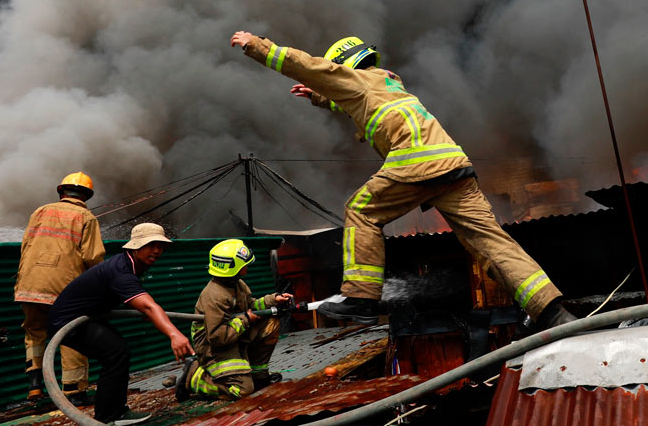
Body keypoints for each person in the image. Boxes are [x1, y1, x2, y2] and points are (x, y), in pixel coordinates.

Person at [230, 31, 575, 332]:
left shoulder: (354, 80)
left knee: (361, 210)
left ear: (345, 66)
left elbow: (307, 65)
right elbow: (358, 102)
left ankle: (360, 298)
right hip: (454, 166)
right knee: (492, 243)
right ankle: (550, 312)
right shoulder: (388, 82)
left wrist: (255, 45)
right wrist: (321, 97)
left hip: (417, 164)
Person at [48, 222, 195, 426]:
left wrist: (144, 311)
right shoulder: (121, 271)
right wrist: (174, 335)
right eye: (150, 245)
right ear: (135, 246)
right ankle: (106, 420)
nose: (156, 250)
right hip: (68, 322)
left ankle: (116, 412)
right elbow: (150, 307)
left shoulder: (129, 265)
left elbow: (140, 304)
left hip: (86, 317)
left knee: (118, 352)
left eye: (160, 246)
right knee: (115, 352)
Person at [14, 172, 105, 403]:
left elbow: (26, 246)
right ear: (86, 196)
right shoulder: (87, 217)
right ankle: (74, 392)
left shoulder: (40, 211)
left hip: (29, 284)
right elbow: (93, 257)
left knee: (35, 334)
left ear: (61, 192)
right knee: (71, 335)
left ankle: (35, 388)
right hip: (64, 289)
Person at [175, 239, 290, 401]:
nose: (247, 267)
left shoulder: (237, 284)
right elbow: (217, 338)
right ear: (232, 268)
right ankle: (195, 377)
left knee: (271, 324)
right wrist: (245, 320)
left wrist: (274, 299)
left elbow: (251, 304)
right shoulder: (214, 296)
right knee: (243, 390)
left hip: (233, 337)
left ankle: (258, 376)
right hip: (213, 349)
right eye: (244, 264)